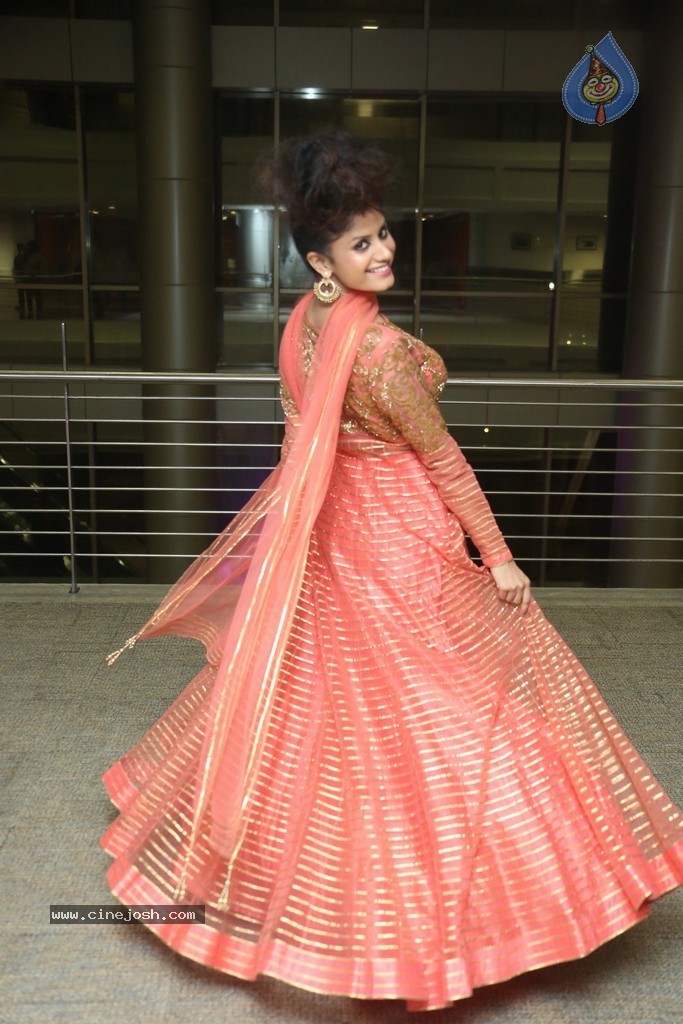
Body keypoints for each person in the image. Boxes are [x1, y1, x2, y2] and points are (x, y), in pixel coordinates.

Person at [102, 130, 683, 1012]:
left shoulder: (302, 323)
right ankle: (481, 908)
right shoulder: (375, 351)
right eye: (360, 243)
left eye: (382, 234)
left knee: (332, 710)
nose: (383, 252)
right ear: (319, 261)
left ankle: (301, 882)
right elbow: (442, 459)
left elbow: (305, 438)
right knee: (448, 708)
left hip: (339, 536)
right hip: (400, 545)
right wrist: (500, 557)